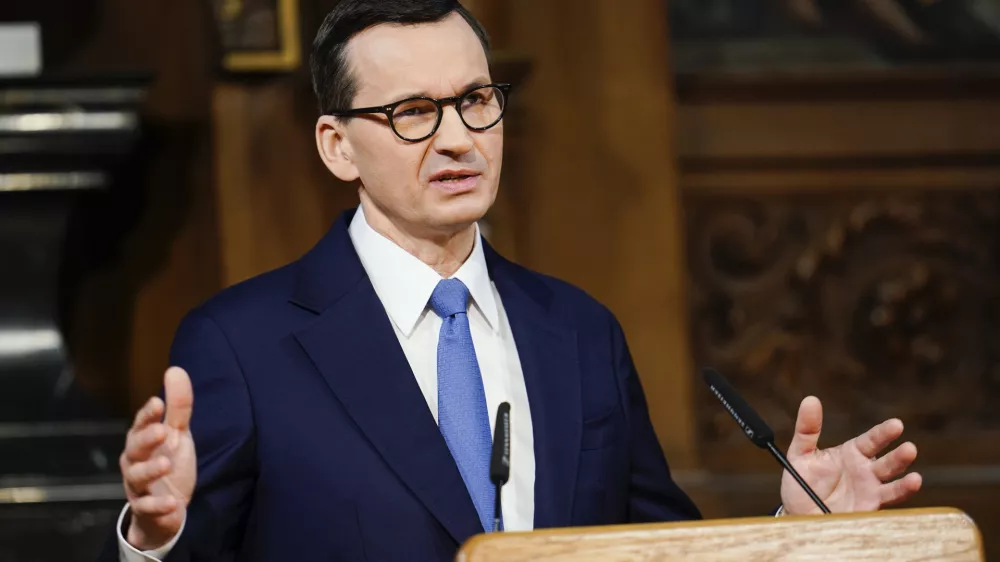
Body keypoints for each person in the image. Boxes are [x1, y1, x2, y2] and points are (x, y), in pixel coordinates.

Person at [102, 1, 923, 560]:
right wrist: (155, 535)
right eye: (413, 113)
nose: (459, 139)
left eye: (476, 100)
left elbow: (654, 550)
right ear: (337, 146)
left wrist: (796, 531)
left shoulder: (579, 332)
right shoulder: (244, 343)